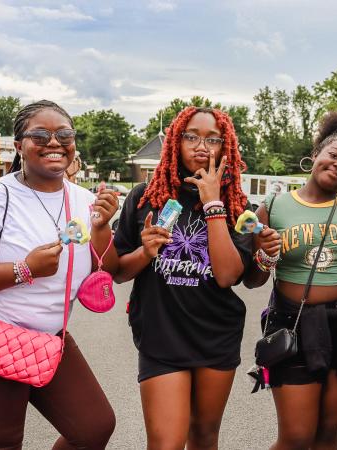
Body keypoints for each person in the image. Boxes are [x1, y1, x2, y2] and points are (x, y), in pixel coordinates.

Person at [0, 100, 119, 449]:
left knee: (94, 427)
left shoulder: (84, 199)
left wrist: (103, 227)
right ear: (19, 145)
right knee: (2, 443)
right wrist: (24, 270)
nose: (54, 142)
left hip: (52, 338)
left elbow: (105, 269)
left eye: (64, 134)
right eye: (40, 135)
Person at [244, 110, 337, 449]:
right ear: (315, 155)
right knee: (296, 438)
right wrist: (265, 255)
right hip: (292, 326)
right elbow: (252, 280)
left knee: (327, 436)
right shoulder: (275, 206)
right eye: (334, 155)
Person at [113, 106, 253, 449]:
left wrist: (213, 204)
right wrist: (145, 253)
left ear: (225, 147)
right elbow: (117, 272)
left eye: (212, 139)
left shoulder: (237, 205)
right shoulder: (146, 197)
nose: (201, 146)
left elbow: (228, 276)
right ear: (176, 141)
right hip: (162, 334)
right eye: (192, 136)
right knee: (166, 443)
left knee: (204, 437)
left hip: (215, 334)